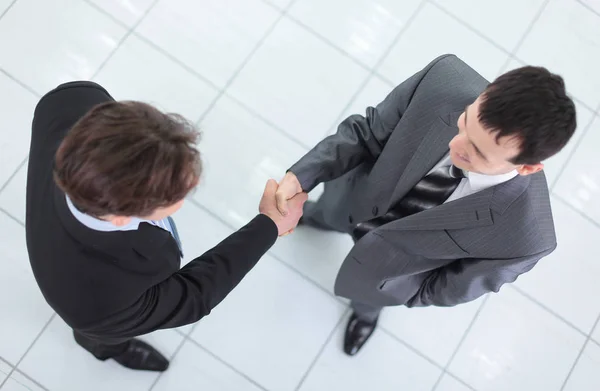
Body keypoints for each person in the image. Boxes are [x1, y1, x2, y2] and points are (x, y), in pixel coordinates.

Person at [275, 54, 577, 356]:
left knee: (368, 300)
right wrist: (301, 177)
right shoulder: (442, 81)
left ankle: (366, 315)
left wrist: (402, 292)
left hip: (385, 274)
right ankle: (318, 218)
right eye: (465, 122)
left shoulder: (525, 238)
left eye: (478, 153)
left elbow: (453, 286)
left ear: (527, 168)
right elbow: (365, 133)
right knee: (326, 213)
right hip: (354, 198)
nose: (456, 146)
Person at [25, 81, 307, 372]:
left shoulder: (73, 100)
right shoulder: (101, 303)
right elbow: (194, 295)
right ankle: (104, 349)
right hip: (100, 316)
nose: (192, 185)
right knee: (104, 335)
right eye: (179, 195)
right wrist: (270, 225)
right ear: (124, 217)